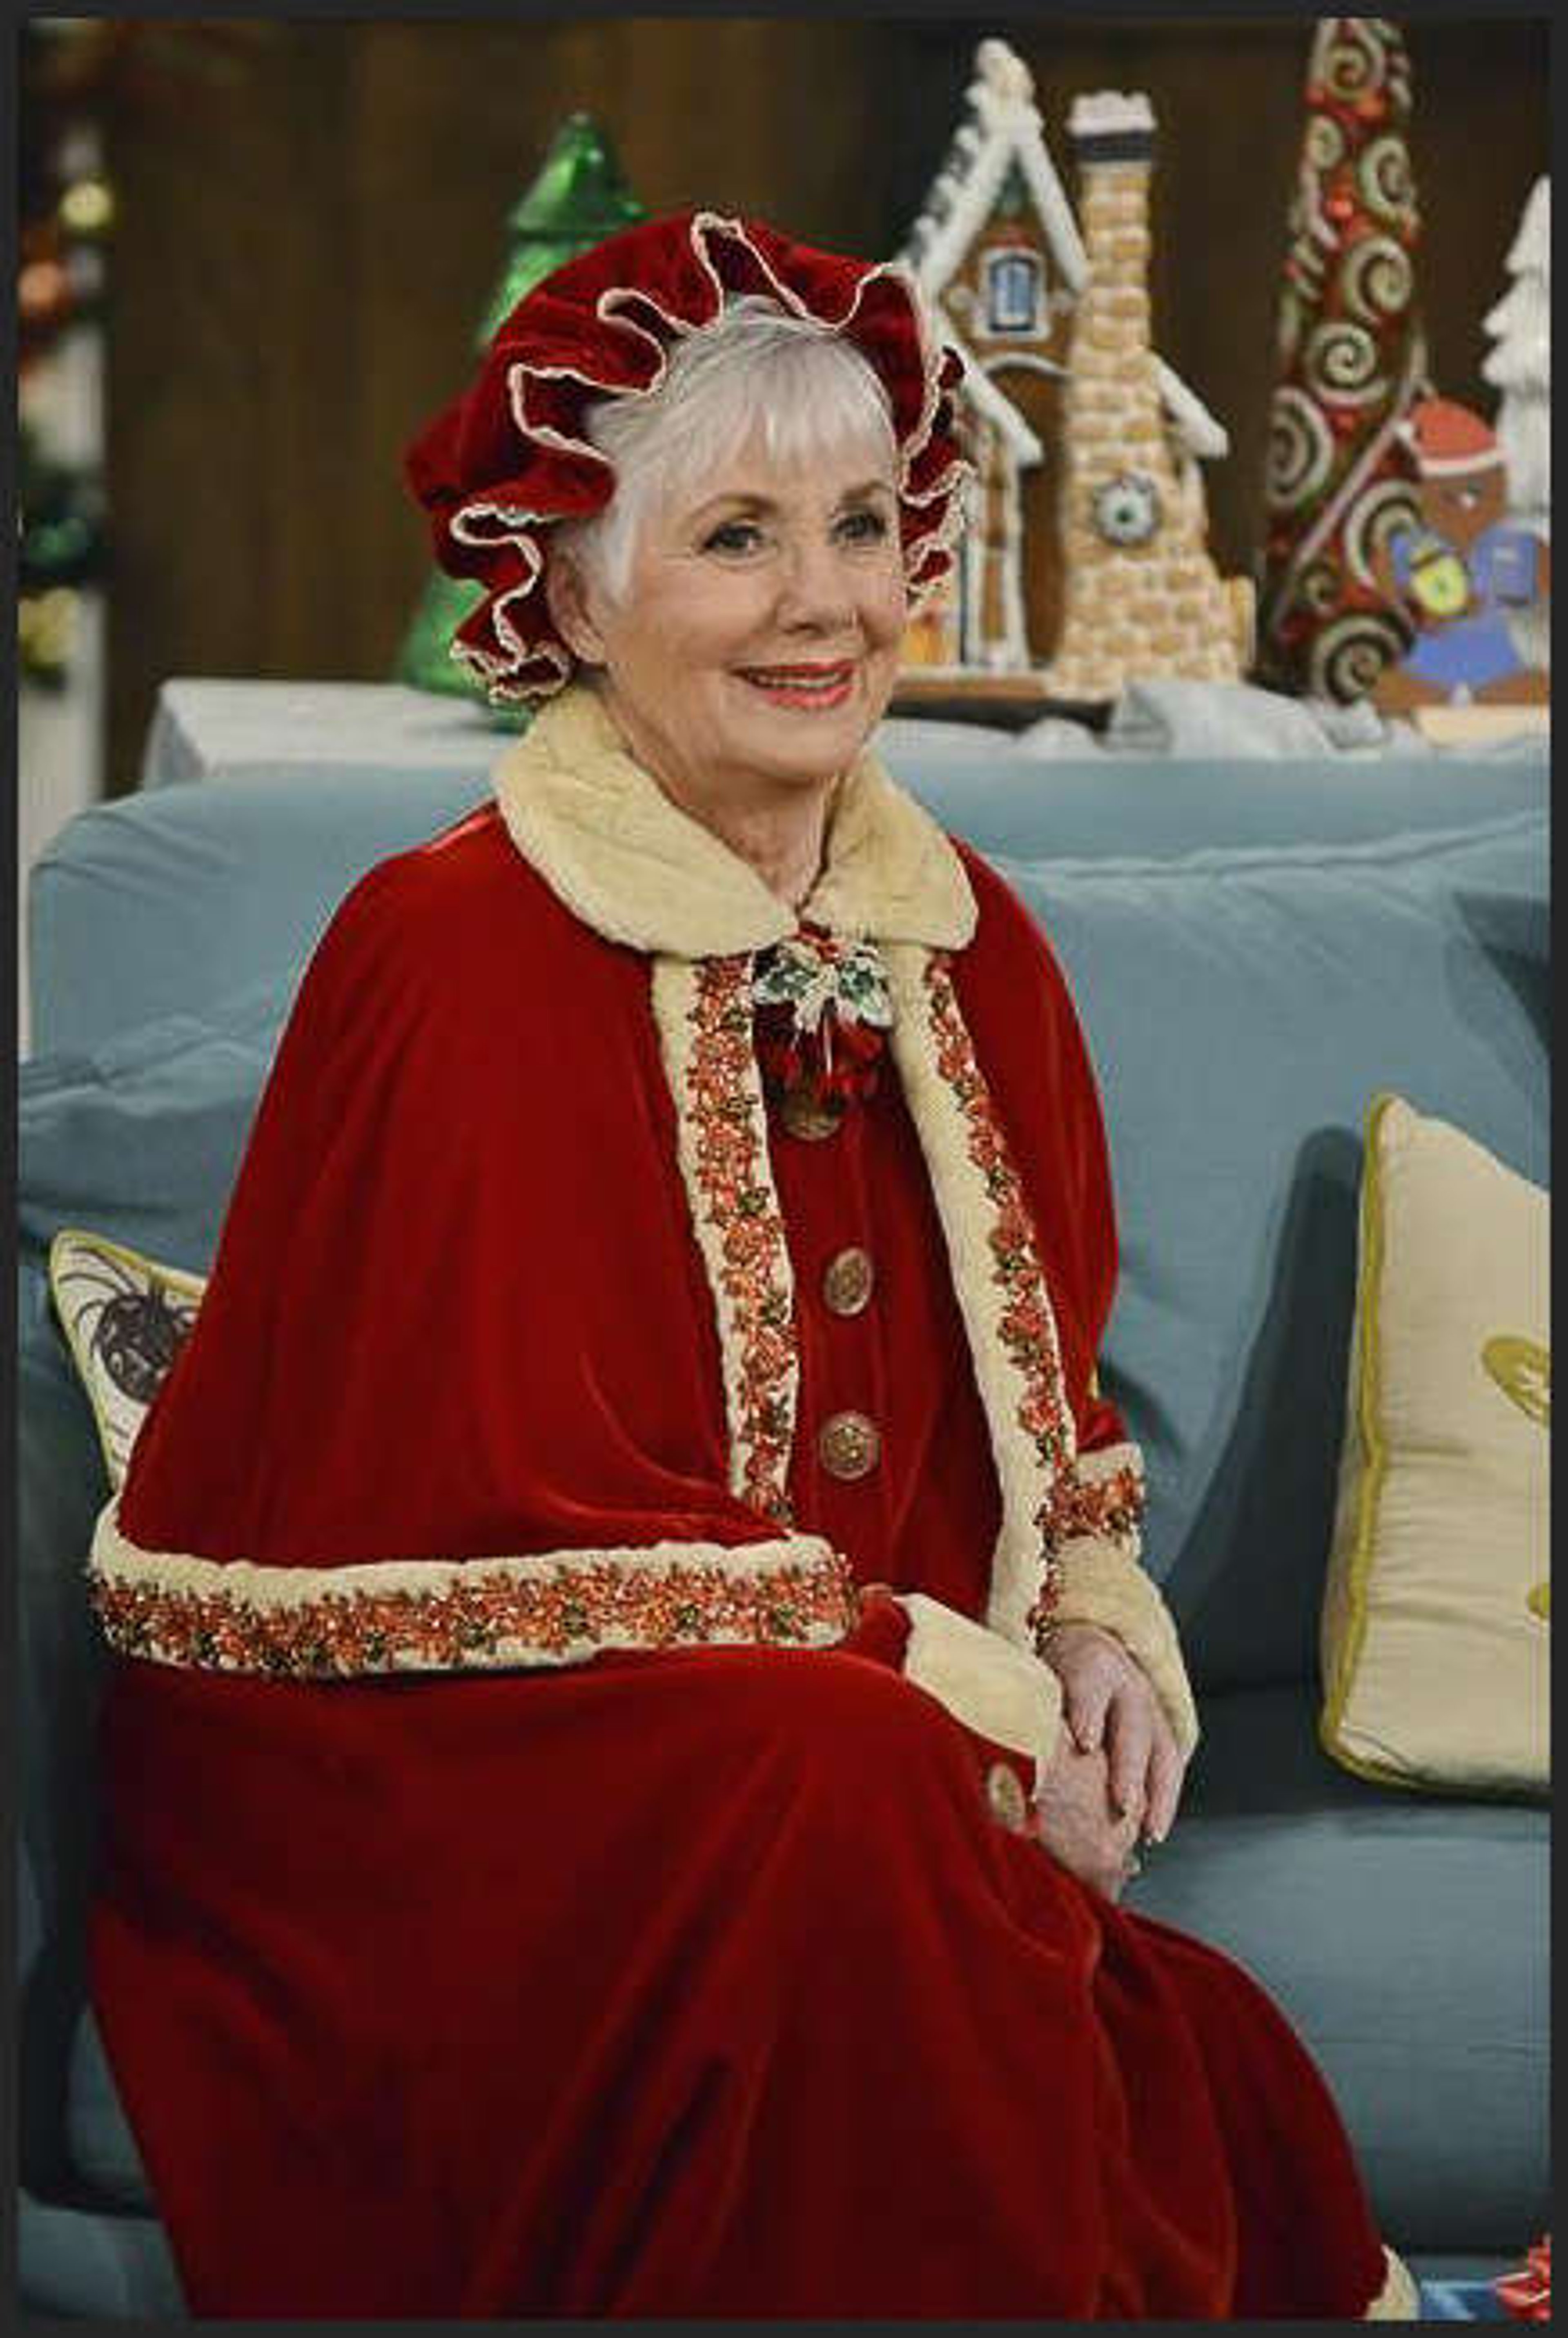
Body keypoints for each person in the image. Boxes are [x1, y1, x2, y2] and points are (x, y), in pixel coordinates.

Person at [87, 208, 1416, 2318]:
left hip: (838, 1780)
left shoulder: (973, 949)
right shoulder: (446, 952)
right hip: (448, 1773)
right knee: (853, 1797)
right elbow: (507, 1523)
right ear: (582, 597)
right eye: (737, 540)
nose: (826, 601)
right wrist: (965, 1724)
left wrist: (1082, 1633)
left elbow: (1052, 1425)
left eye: (867, 524)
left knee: (1207, 2063)